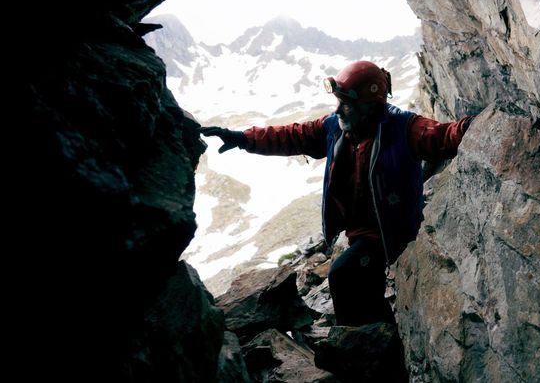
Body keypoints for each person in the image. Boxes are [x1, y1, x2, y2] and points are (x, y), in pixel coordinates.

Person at [200, 60, 473, 326]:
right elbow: (292, 135)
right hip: (359, 232)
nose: (339, 110)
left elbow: (441, 136)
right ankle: (374, 339)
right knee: (361, 288)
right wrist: (244, 139)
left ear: (370, 105)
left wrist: (471, 128)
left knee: (343, 275)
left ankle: (364, 345)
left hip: (387, 232)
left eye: (347, 104)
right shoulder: (335, 127)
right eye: (339, 102)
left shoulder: (402, 128)